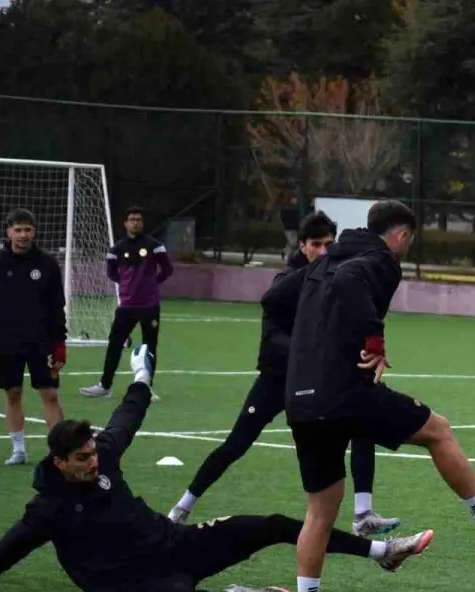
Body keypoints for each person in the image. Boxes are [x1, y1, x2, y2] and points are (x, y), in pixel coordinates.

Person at [0, 345, 433, 592]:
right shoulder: (49, 507)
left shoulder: (103, 455)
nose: (93, 462)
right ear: (59, 463)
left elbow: (127, 418)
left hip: (177, 544)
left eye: (93, 453)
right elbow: (12, 545)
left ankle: (382, 552)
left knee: (271, 524)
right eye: (82, 459)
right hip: (133, 585)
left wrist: (141, 376)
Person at [264, 199, 475, 592]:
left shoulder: (321, 261)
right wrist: (373, 335)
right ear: (402, 235)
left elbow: (273, 298)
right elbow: (353, 283)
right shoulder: (380, 260)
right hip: (344, 392)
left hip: (300, 397)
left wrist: (304, 345)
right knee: (438, 430)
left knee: (320, 510)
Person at [168, 212, 399, 537]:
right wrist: (312, 353)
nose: (322, 251)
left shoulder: (335, 278)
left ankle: (363, 514)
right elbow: (272, 338)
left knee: (362, 424)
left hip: (319, 382)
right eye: (315, 244)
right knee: (236, 443)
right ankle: (183, 505)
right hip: (279, 379)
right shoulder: (288, 282)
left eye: (328, 244)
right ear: (302, 245)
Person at [0, 208, 67, 466]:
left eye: (27, 229)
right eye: (17, 230)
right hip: (8, 341)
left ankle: (58, 453)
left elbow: (57, 306)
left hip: (42, 341)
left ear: (34, 232)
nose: (23, 235)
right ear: (8, 232)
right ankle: (18, 449)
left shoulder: (47, 264)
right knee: (13, 393)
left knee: (50, 394)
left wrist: (59, 343)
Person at [81, 206, 173, 400]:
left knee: (149, 347)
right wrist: (127, 286)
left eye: (139, 219)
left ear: (143, 222)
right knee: (115, 344)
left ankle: (146, 388)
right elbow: (111, 273)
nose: (136, 223)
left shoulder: (154, 245)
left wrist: (152, 284)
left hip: (150, 306)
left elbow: (167, 269)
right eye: (132, 219)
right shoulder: (116, 249)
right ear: (125, 223)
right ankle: (104, 386)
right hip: (127, 306)